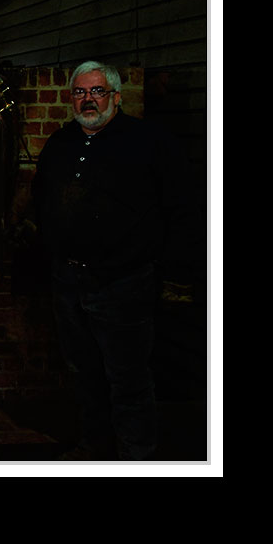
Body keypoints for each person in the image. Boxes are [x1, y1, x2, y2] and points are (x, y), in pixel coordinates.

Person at [31, 61, 199, 460]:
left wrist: (177, 276)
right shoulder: (61, 143)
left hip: (123, 284)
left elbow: (182, 209)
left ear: (116, 97)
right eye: (80, 92)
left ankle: (134, 456)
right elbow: (41, 199)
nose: (88, 100)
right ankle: (94, 448)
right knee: (83, 373)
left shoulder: (149, 142)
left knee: (128, 379)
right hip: (69, 282)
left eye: (97, 91)